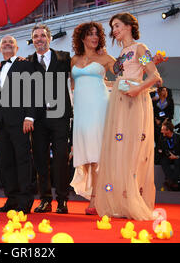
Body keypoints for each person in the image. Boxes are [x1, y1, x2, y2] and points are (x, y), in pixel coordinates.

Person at [95, 12, 162, 221]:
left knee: (133, 150)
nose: (114, 30)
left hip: (135, 99)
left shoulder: (140, 49)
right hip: (119, 101)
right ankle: (121, 202)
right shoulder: (123, 52)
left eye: (117, 26)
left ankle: (134, 200)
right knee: (119, 150)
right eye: (112, 27)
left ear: (129, 26)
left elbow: (155, 76)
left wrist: (138, 89)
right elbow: (119, 75)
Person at [68, 22, 115, 215]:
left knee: (96, 153)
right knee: (86, 155)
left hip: (99, 107)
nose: (94, 37)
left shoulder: (105, 57)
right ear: (82, 38)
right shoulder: (74, 59)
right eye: (90, 34)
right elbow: (72, 87)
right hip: (80, 111)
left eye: (97, 34)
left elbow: (126, 69)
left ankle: (96, 198)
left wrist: (149, 59)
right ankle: (95, 192)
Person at [0, 35, 36, 214]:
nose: (7, 45)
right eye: (3, 43)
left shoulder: (26, 65)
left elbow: (33, 91)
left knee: (22, 161)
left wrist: (30, 117)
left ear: (17, 48)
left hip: (20, 121)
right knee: (6, 163)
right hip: (0, 123)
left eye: (11, 43)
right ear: (0, 49)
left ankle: (24, 201)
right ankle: (12, 200)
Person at [27, 24, 72, 214]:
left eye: (42, 35)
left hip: (60, 115)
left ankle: (62, 200)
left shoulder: (64, 57)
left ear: (49, 38)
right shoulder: (27, 62)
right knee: (40, 160)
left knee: (61, 158)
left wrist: (146, 61)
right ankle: (45, 200)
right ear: (33, 40)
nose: (39, 39)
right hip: (37, 118)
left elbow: (87, 65)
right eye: (35, 36)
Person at [157, 120, 180, 191]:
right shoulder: (162, 139)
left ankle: (172, 181)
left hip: (178, 157)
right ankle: (173, 181)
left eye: (163, 130)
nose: (161, 132)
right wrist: (165, 153)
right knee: (163, 161)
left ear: (168, 130)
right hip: (168, 157)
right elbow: (159, 149)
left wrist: (177, 156)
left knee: (178, 161)